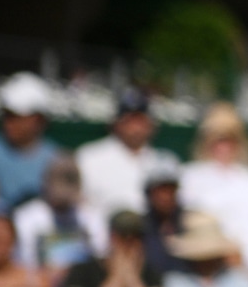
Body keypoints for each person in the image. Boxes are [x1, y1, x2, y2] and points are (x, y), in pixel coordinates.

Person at [178, 104, 248, 276]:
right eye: (218, 140)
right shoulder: (191, 175)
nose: (223, 147)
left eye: (229, 140)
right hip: (208, 243)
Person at [75, 89, 180, 223]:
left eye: (140, 120)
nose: (135, 127)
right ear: (116, 123)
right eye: (129, 120)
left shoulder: (166, 160)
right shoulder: (89, 157)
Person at [59, 210, 170, 287]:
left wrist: (132, 280)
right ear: (112, 238)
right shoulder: (83, 270)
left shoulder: (151, 273)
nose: (130, 244)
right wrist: (117, 280)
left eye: (136, 237)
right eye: (123, 237)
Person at [13, 157, 104, 274]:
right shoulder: (25, 218)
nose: (62, 202)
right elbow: (25, 262)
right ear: (45, 185)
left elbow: (99, 255)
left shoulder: (91, 216)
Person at [0, 73, 57, 210]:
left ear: (38, 119)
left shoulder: (56, 158)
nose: (8, 123)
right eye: (6, 115)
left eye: (16, 116)